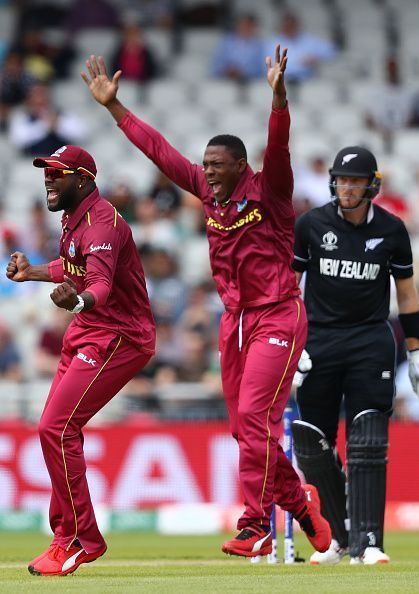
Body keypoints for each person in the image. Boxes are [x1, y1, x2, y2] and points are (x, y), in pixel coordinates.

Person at [81, 49, 331, 558]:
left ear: (241, 166)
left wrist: (279, 97)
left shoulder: (272, 191)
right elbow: (160, 152)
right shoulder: (206, 192)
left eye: (218, 167)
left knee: (256, 416)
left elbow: (278, 144)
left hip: (279, 313)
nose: (208, 174)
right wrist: (115, 108)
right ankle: (301, 504)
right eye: (206, 166)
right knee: (243, 428)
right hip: (235, 321)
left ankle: (255, 524)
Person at [6, 144, 156, 576]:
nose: (49, 179)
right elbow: (72, 265)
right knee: (53, 427)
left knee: (56, 426)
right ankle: (63, 537)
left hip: (119, 336)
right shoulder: (76, 218)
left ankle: (81, 539)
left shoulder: (102, 222)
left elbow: (100, 285)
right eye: (47, 172)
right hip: (89, 331)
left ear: (85, 180)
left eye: (58, 172)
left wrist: (78, 303)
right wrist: (31, 272)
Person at [291, 146, 419, 565]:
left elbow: (406, 294)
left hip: (370, 340)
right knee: (311, 444)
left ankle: (369, 542)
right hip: (318, 341)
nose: (347, 187)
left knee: (368, 439)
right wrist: (289, 342)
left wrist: (418, 353)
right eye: (341, 179)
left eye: (355, 181)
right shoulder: (311, 225)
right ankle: (338, 537)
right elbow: (288, 288)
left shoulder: (391, 230)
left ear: (372, 185)